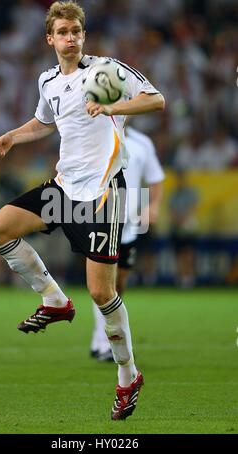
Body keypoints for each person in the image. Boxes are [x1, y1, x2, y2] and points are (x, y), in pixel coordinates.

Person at [0, 1, 165, 420]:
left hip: (103, 194)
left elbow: (156, 100)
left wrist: (113, 107)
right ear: (50, 38)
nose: (70, 38)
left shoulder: (104, 70)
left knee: (103, 294)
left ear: (83, 36)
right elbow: (45, 122)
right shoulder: (47, 80)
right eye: (62, 32)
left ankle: (127, 375)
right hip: (64, 189)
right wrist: (13, 136)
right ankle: (55, 300)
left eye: (76, 32)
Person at [90, 126, 165, 361]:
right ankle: (104, 344)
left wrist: (153, 206)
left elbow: (156, 179)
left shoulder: (143, 142)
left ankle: (98, 338)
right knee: (103, 283)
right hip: (101, 218)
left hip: (130, 224)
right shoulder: (95, 135)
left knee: (119, 285)